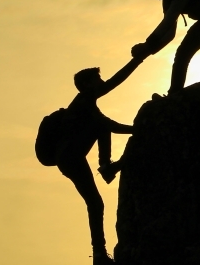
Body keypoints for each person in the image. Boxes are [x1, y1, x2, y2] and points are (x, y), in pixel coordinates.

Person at [56, 56, 143, 265]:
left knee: (95, 203)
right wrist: (138, 60)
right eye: (97, 79)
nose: (102, 82)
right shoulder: (84, 101)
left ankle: (98, 254)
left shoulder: (85, 104)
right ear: (86, 85)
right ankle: (105, 167)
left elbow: (106, 123)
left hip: (70, 158)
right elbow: (109, 122)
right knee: (95, 202)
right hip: (70, 158)